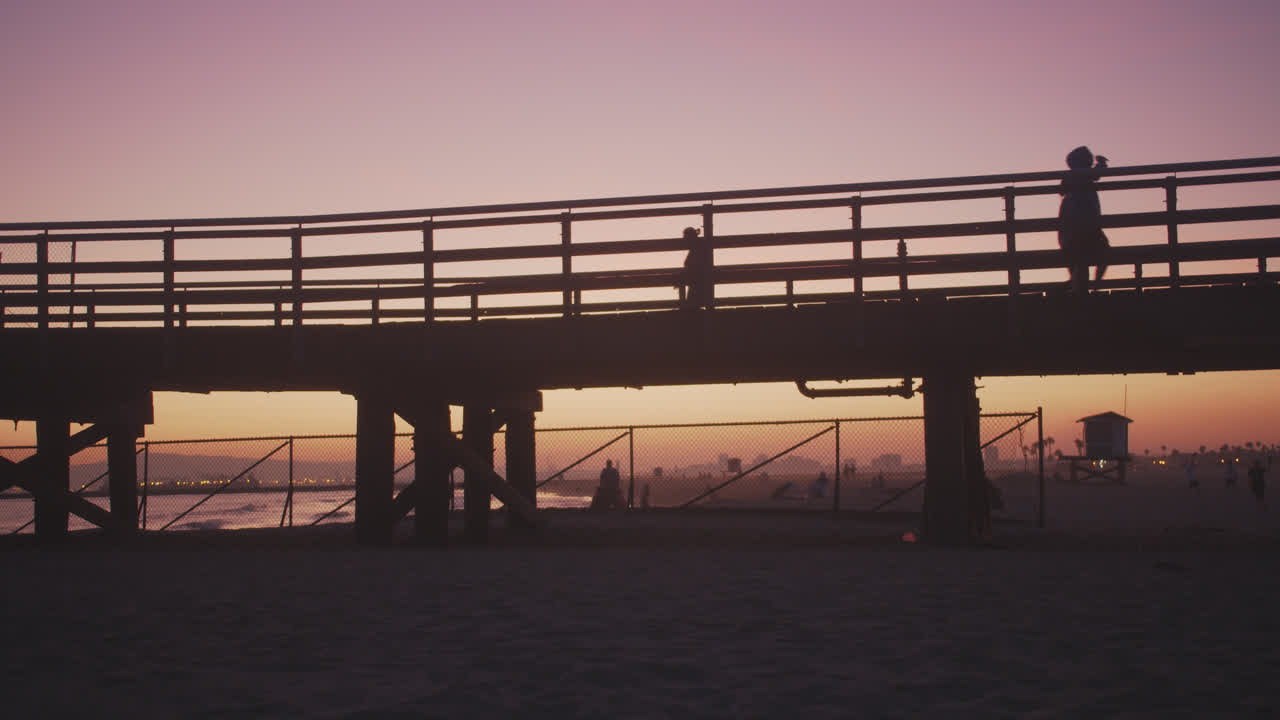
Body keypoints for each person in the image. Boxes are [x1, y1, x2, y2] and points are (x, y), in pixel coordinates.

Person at [1058, 146, 1111, 293]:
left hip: (1071, 229)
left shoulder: (1069, 177)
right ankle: (1094, 286)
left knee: (1078, 261)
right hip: (1086, 227)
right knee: (1102, 253)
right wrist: (1101, 163)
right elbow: (1097, 173)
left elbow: (1061, 190)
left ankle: (1079, 287)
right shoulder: (1085, 175)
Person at [682, 226, 713, 310]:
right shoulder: (698, 245)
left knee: (693, 299)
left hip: (696, 277)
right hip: (698, 277)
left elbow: (689, 263)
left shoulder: (697, 247)